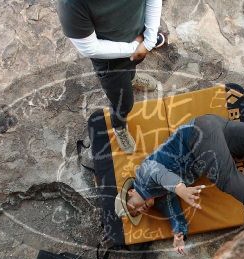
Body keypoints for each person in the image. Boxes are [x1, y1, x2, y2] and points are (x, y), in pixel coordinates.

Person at [115, 69, 244, 255]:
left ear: (131, 192)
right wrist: (178, 234)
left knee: (227, 180)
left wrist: (180, 188)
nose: (141, 210)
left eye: (134, 207)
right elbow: (174, 214)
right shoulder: (160, 198)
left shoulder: (143, 175)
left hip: (198, 138)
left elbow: (158, 172)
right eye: (137, 214)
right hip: (211, 128)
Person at [58, 0, 166, 154]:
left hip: (138, 40)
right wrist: (136, 48)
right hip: (111, 63)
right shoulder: (71, 4)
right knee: (124, 104)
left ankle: (131, 78)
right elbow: (90, 48)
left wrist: (148, 40)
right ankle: (119, 127)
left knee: (131, 69)